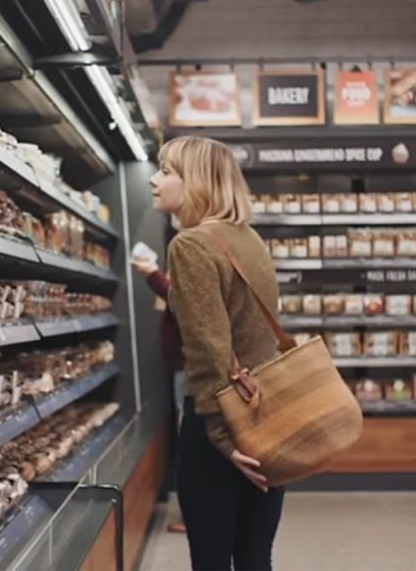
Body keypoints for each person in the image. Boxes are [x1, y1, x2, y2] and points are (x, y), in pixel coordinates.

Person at [151, 135, 285, 570]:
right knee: (254, 557)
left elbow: (210, 350)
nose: (154, 180)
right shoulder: (248, 239)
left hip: (219, 428)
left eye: (166, 171)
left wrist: (226, 442)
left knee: (210, 561)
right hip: (266, 416)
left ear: (196, 181)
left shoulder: (190, 245)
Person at [129, 255, 188, 534]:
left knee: (191, 439)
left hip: (190, 369)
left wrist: (154, 275)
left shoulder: (189, 250)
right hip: (184, 368)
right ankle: (198, 512)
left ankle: (198, 515)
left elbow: (182, 301)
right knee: (190, 437)